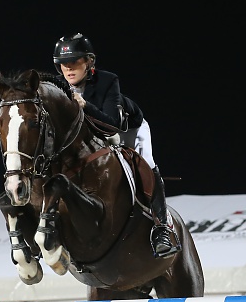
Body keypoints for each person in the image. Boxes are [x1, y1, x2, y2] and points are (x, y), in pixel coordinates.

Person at [53, 32, 179, 257]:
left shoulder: (107, 81)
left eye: (74, 61)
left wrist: (85, 105)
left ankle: (162, 227)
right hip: (92, 135)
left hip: (127, 129)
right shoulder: (58, 87)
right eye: (63, 63)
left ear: (89, 62)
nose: (69, 68)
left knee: (146, 164)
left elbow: (112, 126)